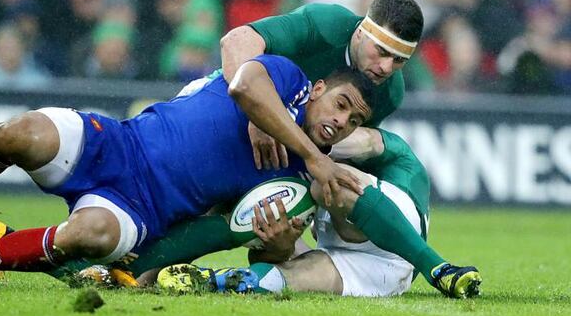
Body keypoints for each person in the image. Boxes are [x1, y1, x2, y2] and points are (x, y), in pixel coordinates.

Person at [74, 0, 480, 298]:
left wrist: (295, 227)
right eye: (382, 52)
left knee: (263, 221)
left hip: (284, 151)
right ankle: (95, 249)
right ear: (362, 30)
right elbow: (236, 43)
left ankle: (130, 268)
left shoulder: (388, 92)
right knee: (185, 200)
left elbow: (329, 147)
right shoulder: (326, 24)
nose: (386, 69)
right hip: (228, 112)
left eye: (400, 61)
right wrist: (259, 117)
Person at [0, 56, 375, 288]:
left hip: (143, 210)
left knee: (88, 235)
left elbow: (257, 241)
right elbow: (245, 87)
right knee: (15, 136)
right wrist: (311, 153)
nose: (340, 121)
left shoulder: (298, 181)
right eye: (341, 103)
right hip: (119, 143)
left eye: (354, 120)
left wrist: (279, 242)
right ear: (319, 86)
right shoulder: (284, 76)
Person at [156, 127, 471, 298]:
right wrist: (278, 245)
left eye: (352, 115)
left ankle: (439, 268)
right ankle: (216, 281)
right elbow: (281, 252)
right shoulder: (298, 177)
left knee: (328, 183)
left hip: (400, 249)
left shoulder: (393, 152)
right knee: (284, 276)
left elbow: (366, 142)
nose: (340, 122)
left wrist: (295, 137)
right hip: (360, 265)